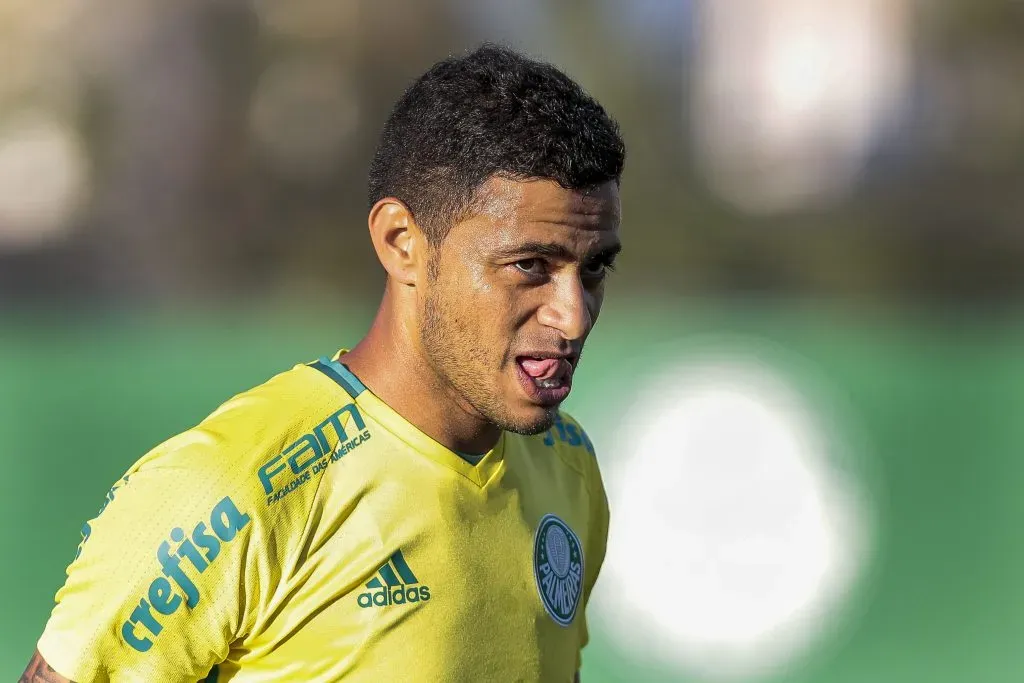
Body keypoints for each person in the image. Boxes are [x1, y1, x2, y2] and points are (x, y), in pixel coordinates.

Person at [22, 43, 624, 683]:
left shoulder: (569, 466)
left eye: (594, 269)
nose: (573, 315)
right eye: (530, 266)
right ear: (402, 244)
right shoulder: (233, 486)